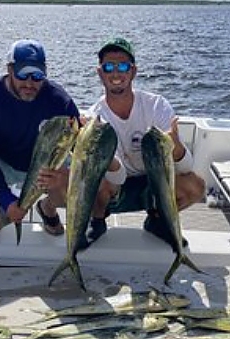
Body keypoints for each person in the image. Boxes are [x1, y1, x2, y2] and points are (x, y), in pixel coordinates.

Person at [0, 39, 80, 252]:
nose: (30, 83)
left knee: (68, 177)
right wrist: (5, 199)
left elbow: (78, 144)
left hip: (44, 168)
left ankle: (48, 209)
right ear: (9, 70)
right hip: (4, 162)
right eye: (23, 74)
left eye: (37, 76)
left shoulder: (59, 100)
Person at [86, 37, 206, 247]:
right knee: (96, 182)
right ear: (100, 73)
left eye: (123, 66)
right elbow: (117, 175)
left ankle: (158, 220)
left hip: (154, 182)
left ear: (133, 71)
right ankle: (97, 221)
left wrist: (176, 147)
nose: (116, 73)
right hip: (115, 189)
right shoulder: (96, 117)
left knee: (195, 185)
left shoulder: (156, 106)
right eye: (108, 67)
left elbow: (185, 167)